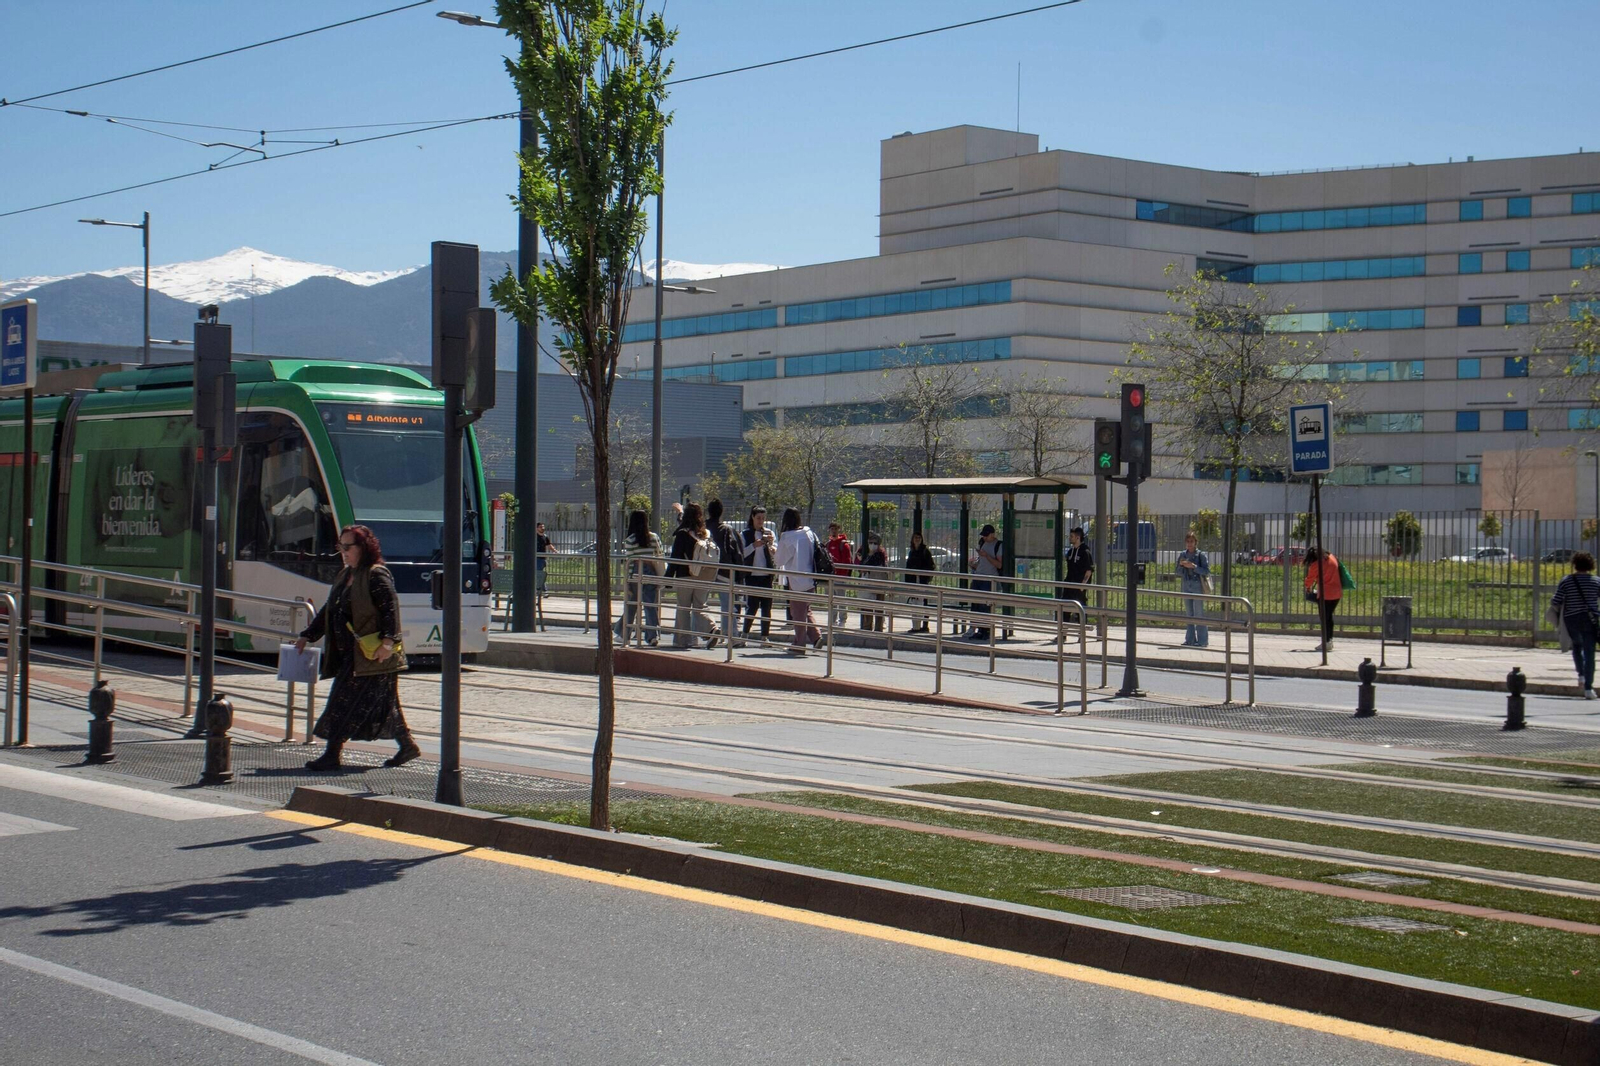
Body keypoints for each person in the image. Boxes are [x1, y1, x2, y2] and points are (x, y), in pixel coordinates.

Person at [295, 524, 419, 771]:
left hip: (373, 656)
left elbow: (390, 609)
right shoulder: (345, 575)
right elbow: (330, 610)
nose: (343, 551)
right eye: (340, 546)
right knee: (386, 704)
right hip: (350, 655)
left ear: (364, 547)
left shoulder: (376, 574)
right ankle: (407, 746)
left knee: (341, 701)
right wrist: (307, 636)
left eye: (348, 546)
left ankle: (332, 754)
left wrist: (388, 643)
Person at [666, 502, 720, 648]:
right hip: (705, 574)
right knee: (700, 606)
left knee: (684, 607)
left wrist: (668, 578)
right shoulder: (706, 534)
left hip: (686, 574)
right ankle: (712, 628)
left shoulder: (682, 534)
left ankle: (683, 640)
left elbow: (675, 557)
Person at [1550, 551, 1600, 699]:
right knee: (1590, 652)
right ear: (1591, 565)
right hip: (1590, 619)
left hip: (1571, 619)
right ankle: (1588, 688)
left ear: (1575, 564)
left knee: (1577, 646)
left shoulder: (1567, 581)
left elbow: (1556, 601)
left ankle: (1581, 674)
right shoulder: (1596, 581)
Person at [776, 507, 823, 653]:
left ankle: (799, 644)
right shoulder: (808, 533)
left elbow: (779, 560)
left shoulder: (788, 537)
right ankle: (816, 637)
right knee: (805, 610)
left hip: (797, 581)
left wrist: (773, 549)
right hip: (811, 578)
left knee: (797, 614)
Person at [616, 509, 663, 646]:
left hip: (636, 573)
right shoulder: (654, 537)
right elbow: (659, 555)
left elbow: (629, 563)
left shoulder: (630, 540)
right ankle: (652, 635)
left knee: (632, 604)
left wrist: (628, 581)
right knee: (650, 605)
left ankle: (623, 633)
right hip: (651, 572)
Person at [707, 499, 743, 646]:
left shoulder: (703, 527)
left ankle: (697, 634)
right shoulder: (727, 529)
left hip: (705, 569)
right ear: (722, 512)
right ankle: (732, 637)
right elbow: (736, 551)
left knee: (698, 604)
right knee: (728, 606)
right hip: (724, 571)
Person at [740, 505, 778, 643]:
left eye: (763, 518)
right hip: (752, 575)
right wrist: (753, 546)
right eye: (758, 518)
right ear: (752, 518)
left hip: (766, 575)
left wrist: (771, 546)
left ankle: (764, 637)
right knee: (752, 606)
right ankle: (744, 634)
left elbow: (775, 553)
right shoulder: (745, 534)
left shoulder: (768, 533)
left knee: (766, 607)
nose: (761, 521)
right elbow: (742, 553)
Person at [967, 523, 1003, 640]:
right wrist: (973, 565)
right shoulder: (982, 543)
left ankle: (985, 630)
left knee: (985, 605)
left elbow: (999, 564)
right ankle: (978, 629)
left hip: (989, 579)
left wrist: (986, 556)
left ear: (992, 534)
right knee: (976, 604)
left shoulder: (998, 545)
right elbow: (981, 562)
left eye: (986, 536)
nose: (984, 538)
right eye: (983, 535)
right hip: (978, 577)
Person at [1177, 530, 1212, 647]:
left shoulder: (1201, 555)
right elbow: (1177, 571)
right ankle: (1190, 639)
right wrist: (1183, 566)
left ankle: (1202, 641)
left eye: (1191, 541)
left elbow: (1206, 571)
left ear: (1195, 542)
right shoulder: (1183, 554)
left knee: (1198, 613)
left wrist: (1194, 567)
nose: (1189, 544)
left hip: (1197, 585)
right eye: (1187, 542)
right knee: (1189, 613)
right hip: (1187, 584)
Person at [1304, 547, 1343, 651]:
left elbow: (1309, 579)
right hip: (1337, 592)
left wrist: (1307, 588)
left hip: (1326, 594)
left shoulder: (1316, 565)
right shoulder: (1332, 557)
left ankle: (1326, 642)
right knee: (1329, 618)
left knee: (1324, 619)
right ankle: (1329, 641)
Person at [904, 530, 936, 633]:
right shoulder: (912, 551)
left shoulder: (925, 551)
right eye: (915, 538)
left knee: (923, 603)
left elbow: (931, 566)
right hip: (913, 581)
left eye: (919, 538)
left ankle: (925, 625)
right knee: (914, 603)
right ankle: (915, 626)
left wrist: (925, 576)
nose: (917, 540)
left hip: (922, 580)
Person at [856, 533, 889, 631]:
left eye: (875, 543)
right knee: (867, 606)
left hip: (878, 583)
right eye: (870, 542)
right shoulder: (865, 553)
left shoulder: (880, 554)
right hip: (867, 583)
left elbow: (871, 565)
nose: (872, 545)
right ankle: (867, 626)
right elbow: (859, 565)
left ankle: (878, 628)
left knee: (878, 607)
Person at [824, 523, 854, 627]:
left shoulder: (843, 545)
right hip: (830, 576)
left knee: (841, 599)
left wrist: (843, 574)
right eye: (832, 529)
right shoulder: (828, 544)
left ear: (838, 530)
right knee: (831, 600)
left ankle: (842, 620)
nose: (833, 531)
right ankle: (832, 620)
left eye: (835, 529)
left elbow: (847, 561)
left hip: (840, 576)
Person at [1061, 526, 1094, 620]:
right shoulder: (1071, 551)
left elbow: (1088, 571)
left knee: (1080, 610)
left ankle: (1082, 633)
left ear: (1078, 538)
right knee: (1064, 609)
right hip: (1069, 585)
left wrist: (1082, 586)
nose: (1069, 538)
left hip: (1079, 586)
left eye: (1071, 536)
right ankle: (1063, 633)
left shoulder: (1085, 552)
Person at [534, 521, 555, 595]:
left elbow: (549, 546)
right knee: (539, 574)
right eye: (540, 527)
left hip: (542, 558)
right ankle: (543, 590)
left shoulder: (545, 537)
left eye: (543, 527)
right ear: (536, 528)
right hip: (536, 558)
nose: (542, 528)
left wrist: (555, 552)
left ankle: (540, 590)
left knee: (539, 574)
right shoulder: (534, 537)